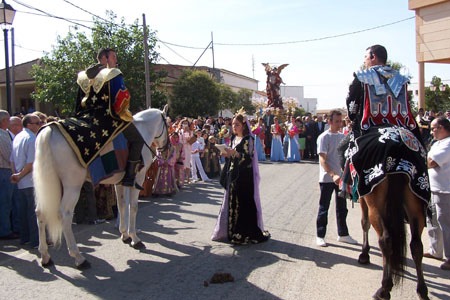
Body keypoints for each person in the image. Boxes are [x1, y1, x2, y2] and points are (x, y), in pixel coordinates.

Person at [343, 45, 429, 206]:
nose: (365, 61)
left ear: (373, 56)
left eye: (366, 57)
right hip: (402, 127)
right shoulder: (401, 77)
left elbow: (352, 103)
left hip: (372, 125)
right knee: (420, 151)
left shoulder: (362, 76)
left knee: (346, 150)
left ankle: (346, 185)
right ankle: (424, 190)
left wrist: (353, 116)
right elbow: (406, 105)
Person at [57, 48, 144, 188]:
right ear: (104, 58)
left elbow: (78, 103)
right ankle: (129, 176)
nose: (116, 61)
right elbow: (121, 99)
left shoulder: (83, 76)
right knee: (138, 140)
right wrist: (122, 113)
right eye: (114, 57)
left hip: (86, 117)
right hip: (109, 118)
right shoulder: (113, 73)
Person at [212, 112, 270, 244]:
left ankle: (243, 233)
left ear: (243, 125)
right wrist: (227, 154)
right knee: (231, 202)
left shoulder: (248, 139)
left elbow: (248, 158)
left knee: (243, 204)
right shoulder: (233, 139)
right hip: (233, 175)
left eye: (237, 124)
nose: (234, 127)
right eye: (233, 124)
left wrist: (236, 154)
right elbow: (233, 156)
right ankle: (231, 231)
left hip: (244, 176)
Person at [316, 110, 357, 247]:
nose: (340, 124)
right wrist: (333, 174)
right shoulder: (324, 137)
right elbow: (322, 159)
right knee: (324, 207)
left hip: (341, 179)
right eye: (337, 121)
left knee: (342, 208)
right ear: (329, 122)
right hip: (328, 178)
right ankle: (320, 235)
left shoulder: (342, 137)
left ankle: (343, 234)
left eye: (341, 121)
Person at [10, 114, 40, 248]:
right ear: (29, 124)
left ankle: (25, 238)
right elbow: (31, 163)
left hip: (20, 181)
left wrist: (15, 175)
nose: (39, 125)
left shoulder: (17, 137)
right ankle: (35, 240)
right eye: (37, 123)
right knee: (33, 212)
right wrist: (20, 175)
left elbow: (12, 160)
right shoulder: (31, 138)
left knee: (23, 211)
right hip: (30, 180)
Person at [424, 117, 450, 270]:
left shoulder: (448, 144)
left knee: (445, 224)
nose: (432, 131)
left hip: (445, 190)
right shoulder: (438, 143)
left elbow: (431, 162)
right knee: (432, 220)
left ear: (442, 128)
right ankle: (435, 250)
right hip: (433, 188)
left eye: (433, 128)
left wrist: (425, 160)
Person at [0, 110, 18, 240]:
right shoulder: (2, 135)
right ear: (3, 121)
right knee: (6, 202)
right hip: (5, 170)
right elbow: (8, 154)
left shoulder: (4, 134)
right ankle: (5, 230)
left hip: (6, 169)